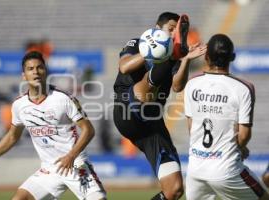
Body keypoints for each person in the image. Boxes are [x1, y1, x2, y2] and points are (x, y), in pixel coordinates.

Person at [0, 51, 106, 200]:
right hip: (49, 169)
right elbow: (12, 136)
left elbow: (88, 130)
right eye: (30, 69)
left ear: (45, 72)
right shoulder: (19, 105)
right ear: (23, 75)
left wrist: (71, 155)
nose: (35, 72)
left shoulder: (63, 98)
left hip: (75, 164)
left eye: (39, 68)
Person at [113, 12, 206, 200]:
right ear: (157, 29)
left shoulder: (176, 58)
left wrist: (185, 60)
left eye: (176, 31)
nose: (173, 34)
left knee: (175, 190)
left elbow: (178, 86)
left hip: (152, 124)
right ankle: (169, 56)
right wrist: (157, 51)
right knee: (145, 91)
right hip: (127, 109)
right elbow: (124, 67)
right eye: (171, 29)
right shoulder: (136, 43)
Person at [184, 34, 269, 200]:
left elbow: (191, 128)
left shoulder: (192, 84)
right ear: (232, 57)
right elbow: (244, 136)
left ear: (206, 57)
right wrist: (239, 147)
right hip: (226, 170)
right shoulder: (244, 88)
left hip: (195, 171)